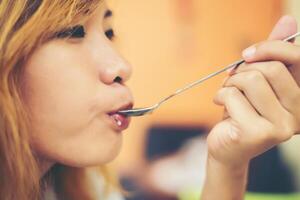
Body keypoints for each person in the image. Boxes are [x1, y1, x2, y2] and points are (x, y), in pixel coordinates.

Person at [0, 0, 299, 199]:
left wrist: (228, 163)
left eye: (109, 32)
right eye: (72, 31)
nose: (122, 66)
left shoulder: (87, 189)